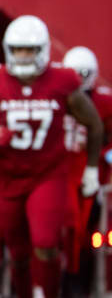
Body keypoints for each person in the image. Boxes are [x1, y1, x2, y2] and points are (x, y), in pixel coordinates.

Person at [0, 15, 103, 298]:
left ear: (43, 51)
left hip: (48, 173)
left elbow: (94, 124)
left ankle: (50, 293)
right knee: (17, 252)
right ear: (7, 50)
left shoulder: (62, 80)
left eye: (29, 50)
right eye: (17, 50)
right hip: (8, 175)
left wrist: (91, 169)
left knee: (46, 242)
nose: (23, 56)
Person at [60, 46, 112, 295]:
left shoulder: (104, 102)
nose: (79, 79)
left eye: (83, 73)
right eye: (74, 73)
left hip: (90, 181)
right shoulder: (55, 96)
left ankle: (80, 285)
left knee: (86, 238)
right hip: (58, 176)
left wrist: (105, 157)